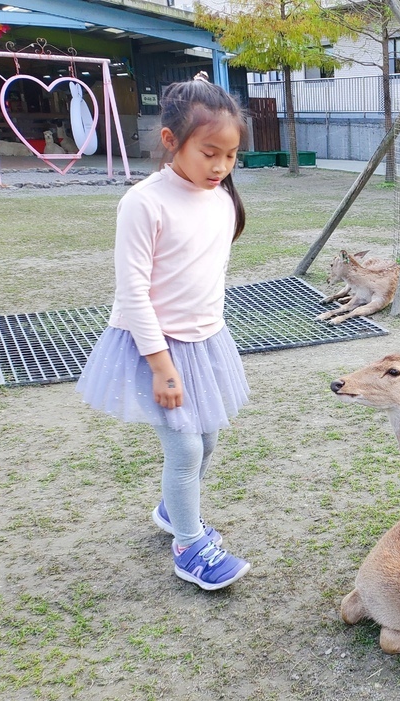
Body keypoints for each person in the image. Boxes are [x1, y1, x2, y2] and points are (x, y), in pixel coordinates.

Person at [76, 73, 251, 590]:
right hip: (156, 347)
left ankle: (176, 513)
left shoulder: (218, 197)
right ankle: (189, 546)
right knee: (185, 450)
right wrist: (161, 366)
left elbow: (202, 276)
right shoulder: (143, 201)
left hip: (205, 341)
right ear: (172, 142)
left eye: (231, 155)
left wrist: (209, 333)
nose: (220, 166)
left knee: (209, 438)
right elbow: (133, 293)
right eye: (209, 152)